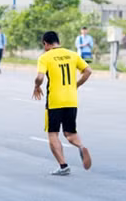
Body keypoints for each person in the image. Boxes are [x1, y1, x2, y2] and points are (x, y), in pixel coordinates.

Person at [33, 31, 93, 176]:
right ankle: (81, 146)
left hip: (55, 101)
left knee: (53, 134)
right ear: (58, 41)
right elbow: (88, 71)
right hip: (71, 99)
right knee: (70, 132)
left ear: (45, 44)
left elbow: (40, 77)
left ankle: (63, 165)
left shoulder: (45, 57)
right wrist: (76, 85)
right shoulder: (72, 54)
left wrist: (36, 86)